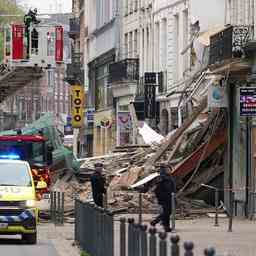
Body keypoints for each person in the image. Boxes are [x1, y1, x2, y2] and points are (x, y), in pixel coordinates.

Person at [150, 165, 176, 232]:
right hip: (165, 197)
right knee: (167, 212)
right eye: (167, 169)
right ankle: (165, 226)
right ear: (164, 170)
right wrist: (161, 197)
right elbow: (157, 189)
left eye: (169, 169)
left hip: (170, 197)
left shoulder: (169, 177)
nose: (169, 170)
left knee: (167, 212)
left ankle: (156, 221)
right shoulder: (161, 178)